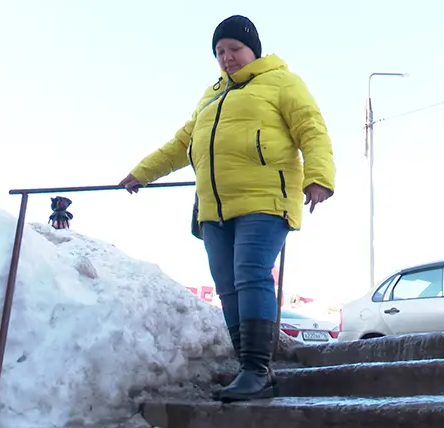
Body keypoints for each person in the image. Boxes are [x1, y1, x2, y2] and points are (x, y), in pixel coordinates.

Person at [119, 14, 335, 402]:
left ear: (253, 48)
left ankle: (257, 370)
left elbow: (311, 128)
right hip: (214, 208)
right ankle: (247, 369)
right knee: (227, 287)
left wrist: (318, 178)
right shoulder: (212, 96)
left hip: (265, 200)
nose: (226, 57)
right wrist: (142, 172)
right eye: (219, 51)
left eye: (234, 48)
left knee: (251, 273)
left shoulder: (282, 82)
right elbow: (180, 144)